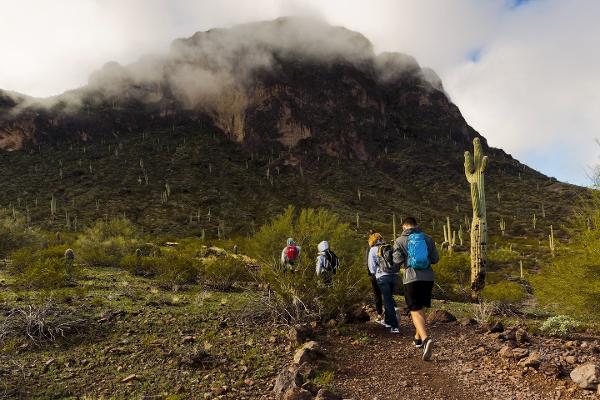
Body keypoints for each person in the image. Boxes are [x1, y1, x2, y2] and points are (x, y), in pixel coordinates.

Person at [393, 217, 439, 361]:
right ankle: (417, 339)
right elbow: (435, 259)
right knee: (420, 309)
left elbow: (397, 260)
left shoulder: (399, 240)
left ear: (404, 226)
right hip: (428, 278)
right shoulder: (428, 238)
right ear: (416, 225)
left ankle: (425, 339)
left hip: (411, 278)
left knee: (414, 310)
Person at [368, 233, 400, 334]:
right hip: (394, 276)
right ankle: (387, 321)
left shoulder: (373, 250)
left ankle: (394, 326)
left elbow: (371, 267)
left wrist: (375, 274)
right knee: (388, 298)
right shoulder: (389, 247)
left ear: (372, 240)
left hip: (382, 277)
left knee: (388, 301)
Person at [367, 231, 384, 324]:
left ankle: (379, 315)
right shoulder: (387, 247)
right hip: (390, 274)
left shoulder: (373, 249)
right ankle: (393, 313)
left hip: (378, 275)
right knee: (387, 295)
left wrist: (373, 274)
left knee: (377, 296)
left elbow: (371, 266)